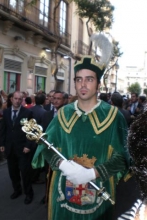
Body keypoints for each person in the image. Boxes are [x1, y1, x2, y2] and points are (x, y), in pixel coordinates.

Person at [32, 34, 129, 220]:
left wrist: (93, 173)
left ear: (98, 84)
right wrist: (64, 166)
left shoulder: (113, 116)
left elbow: (123, 157)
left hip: (99, 196)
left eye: (89, 79)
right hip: (62, 196)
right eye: (78, 79)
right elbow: (45, 146)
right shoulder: (64, 114)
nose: (83, 84)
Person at [0, 91, 34, 204]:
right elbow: (3, 129)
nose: (18, 101)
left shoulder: (28, 113)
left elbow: (31, 130)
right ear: (11, 99)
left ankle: (29, 194)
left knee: (25, 173)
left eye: (20, 99)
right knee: (13, 172)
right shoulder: (6, 112)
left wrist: (28, 145)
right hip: (10, 148)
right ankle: (17, 190)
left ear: (22, 100)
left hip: (23, 148)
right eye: (16, 98)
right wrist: (2, 144)